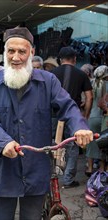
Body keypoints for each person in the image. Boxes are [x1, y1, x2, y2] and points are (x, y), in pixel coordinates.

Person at [0, 27, 93, 220]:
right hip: (3, 168)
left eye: (22, 51)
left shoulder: (48, 81)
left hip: (35, 168)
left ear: (31, 53)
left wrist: (80, 127)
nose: (16, 57)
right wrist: (3, 142)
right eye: (11, 51)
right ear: (5, 52)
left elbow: (68, 106)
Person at [52, 47, 93, 188]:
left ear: (60, 59)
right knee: (73, 148)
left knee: (52, 145)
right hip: (72, 116)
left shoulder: (51, 74)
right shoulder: (81, 75)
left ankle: (52, 177)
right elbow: (89, 97)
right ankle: (68, 179)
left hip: (53, 116)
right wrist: (85, 117)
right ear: (75, 59)